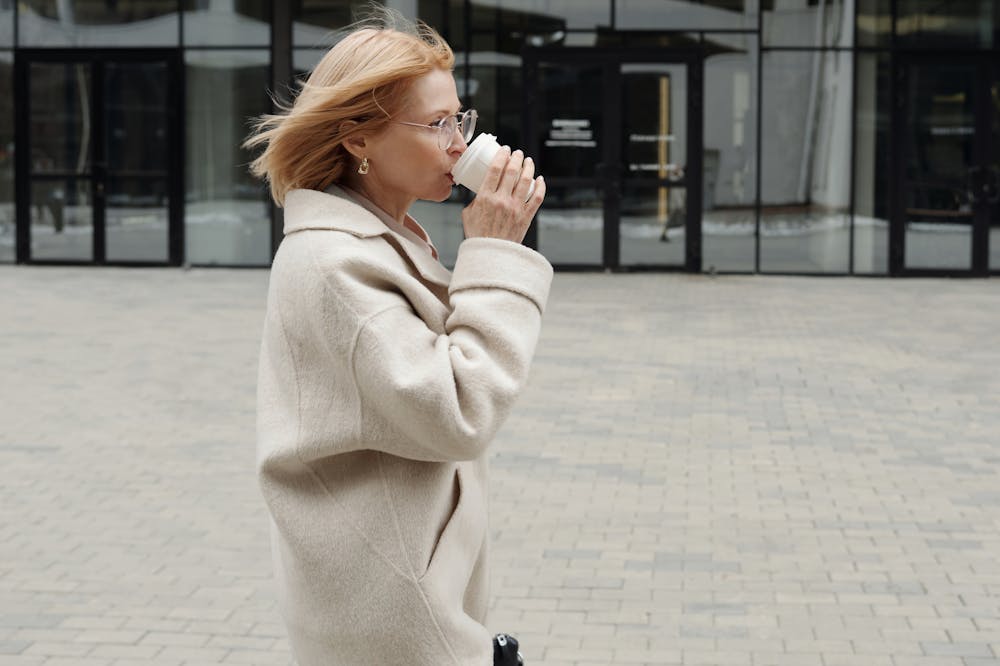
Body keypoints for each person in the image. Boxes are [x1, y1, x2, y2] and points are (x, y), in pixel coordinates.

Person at [245, 7, 551, 665]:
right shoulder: (334, 262)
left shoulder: (380, 238)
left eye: (459, 119)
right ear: (359, 139)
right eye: (436, 123)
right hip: (396, 613)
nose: (459, 142)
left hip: (402, 588)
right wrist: (495, 254)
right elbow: (458, 412)